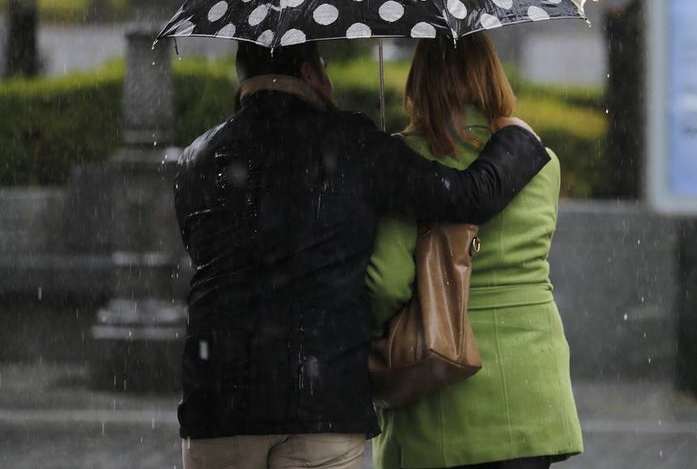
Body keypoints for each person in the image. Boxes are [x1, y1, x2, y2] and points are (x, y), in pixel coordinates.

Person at [176, 40, 550, 469]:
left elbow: (202, 255)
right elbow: (465, 197)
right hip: (321, 401)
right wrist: (517, 141)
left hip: (215, 403)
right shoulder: (352, 141)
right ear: (310, 73)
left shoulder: (196, 158)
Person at [367, 33, 583, 469]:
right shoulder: (542, 161)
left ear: (420, 82)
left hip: (444, 393)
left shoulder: (407, 162)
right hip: (532, 388)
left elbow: (386, 283)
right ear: (491, 74)